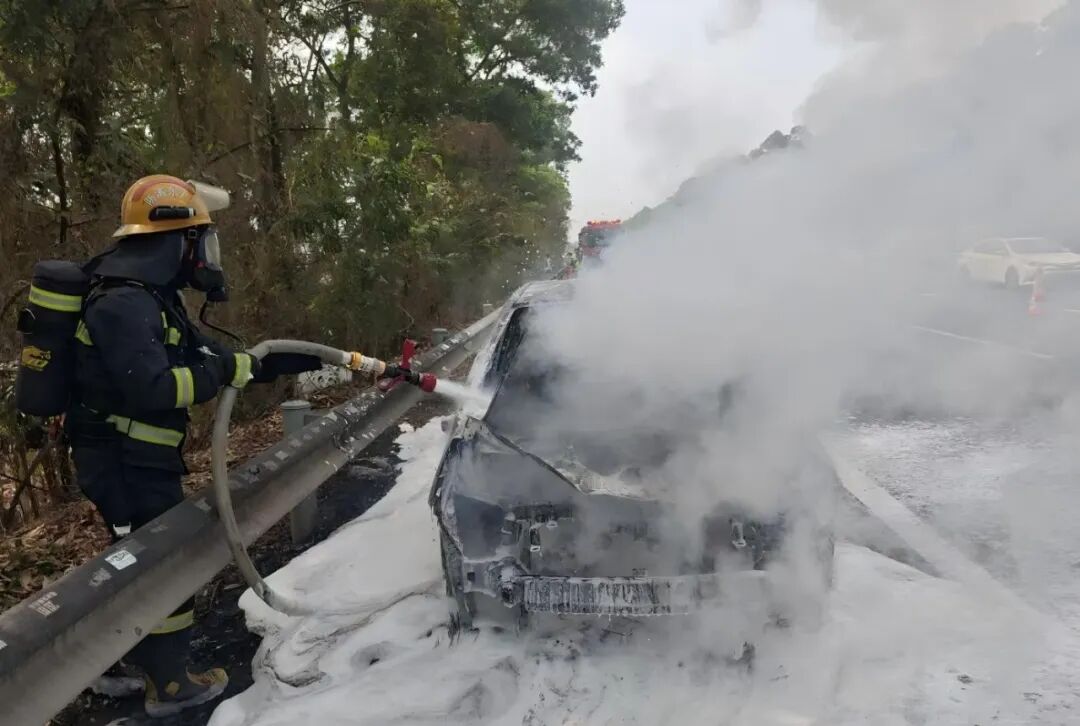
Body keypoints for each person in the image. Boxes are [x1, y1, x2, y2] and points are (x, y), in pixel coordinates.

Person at [67, 175, 288, 717]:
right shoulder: (123, 303)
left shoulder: (151, 296)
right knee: (162, 568)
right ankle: (168, 686)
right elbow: (155, 387)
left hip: (139, 459)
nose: (207, 255)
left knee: (139, 563)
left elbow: (199, 352)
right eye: (202, 240)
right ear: (177, 240)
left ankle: (121, 660)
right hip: (124, 464)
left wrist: (263, 364)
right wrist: (220, 374)